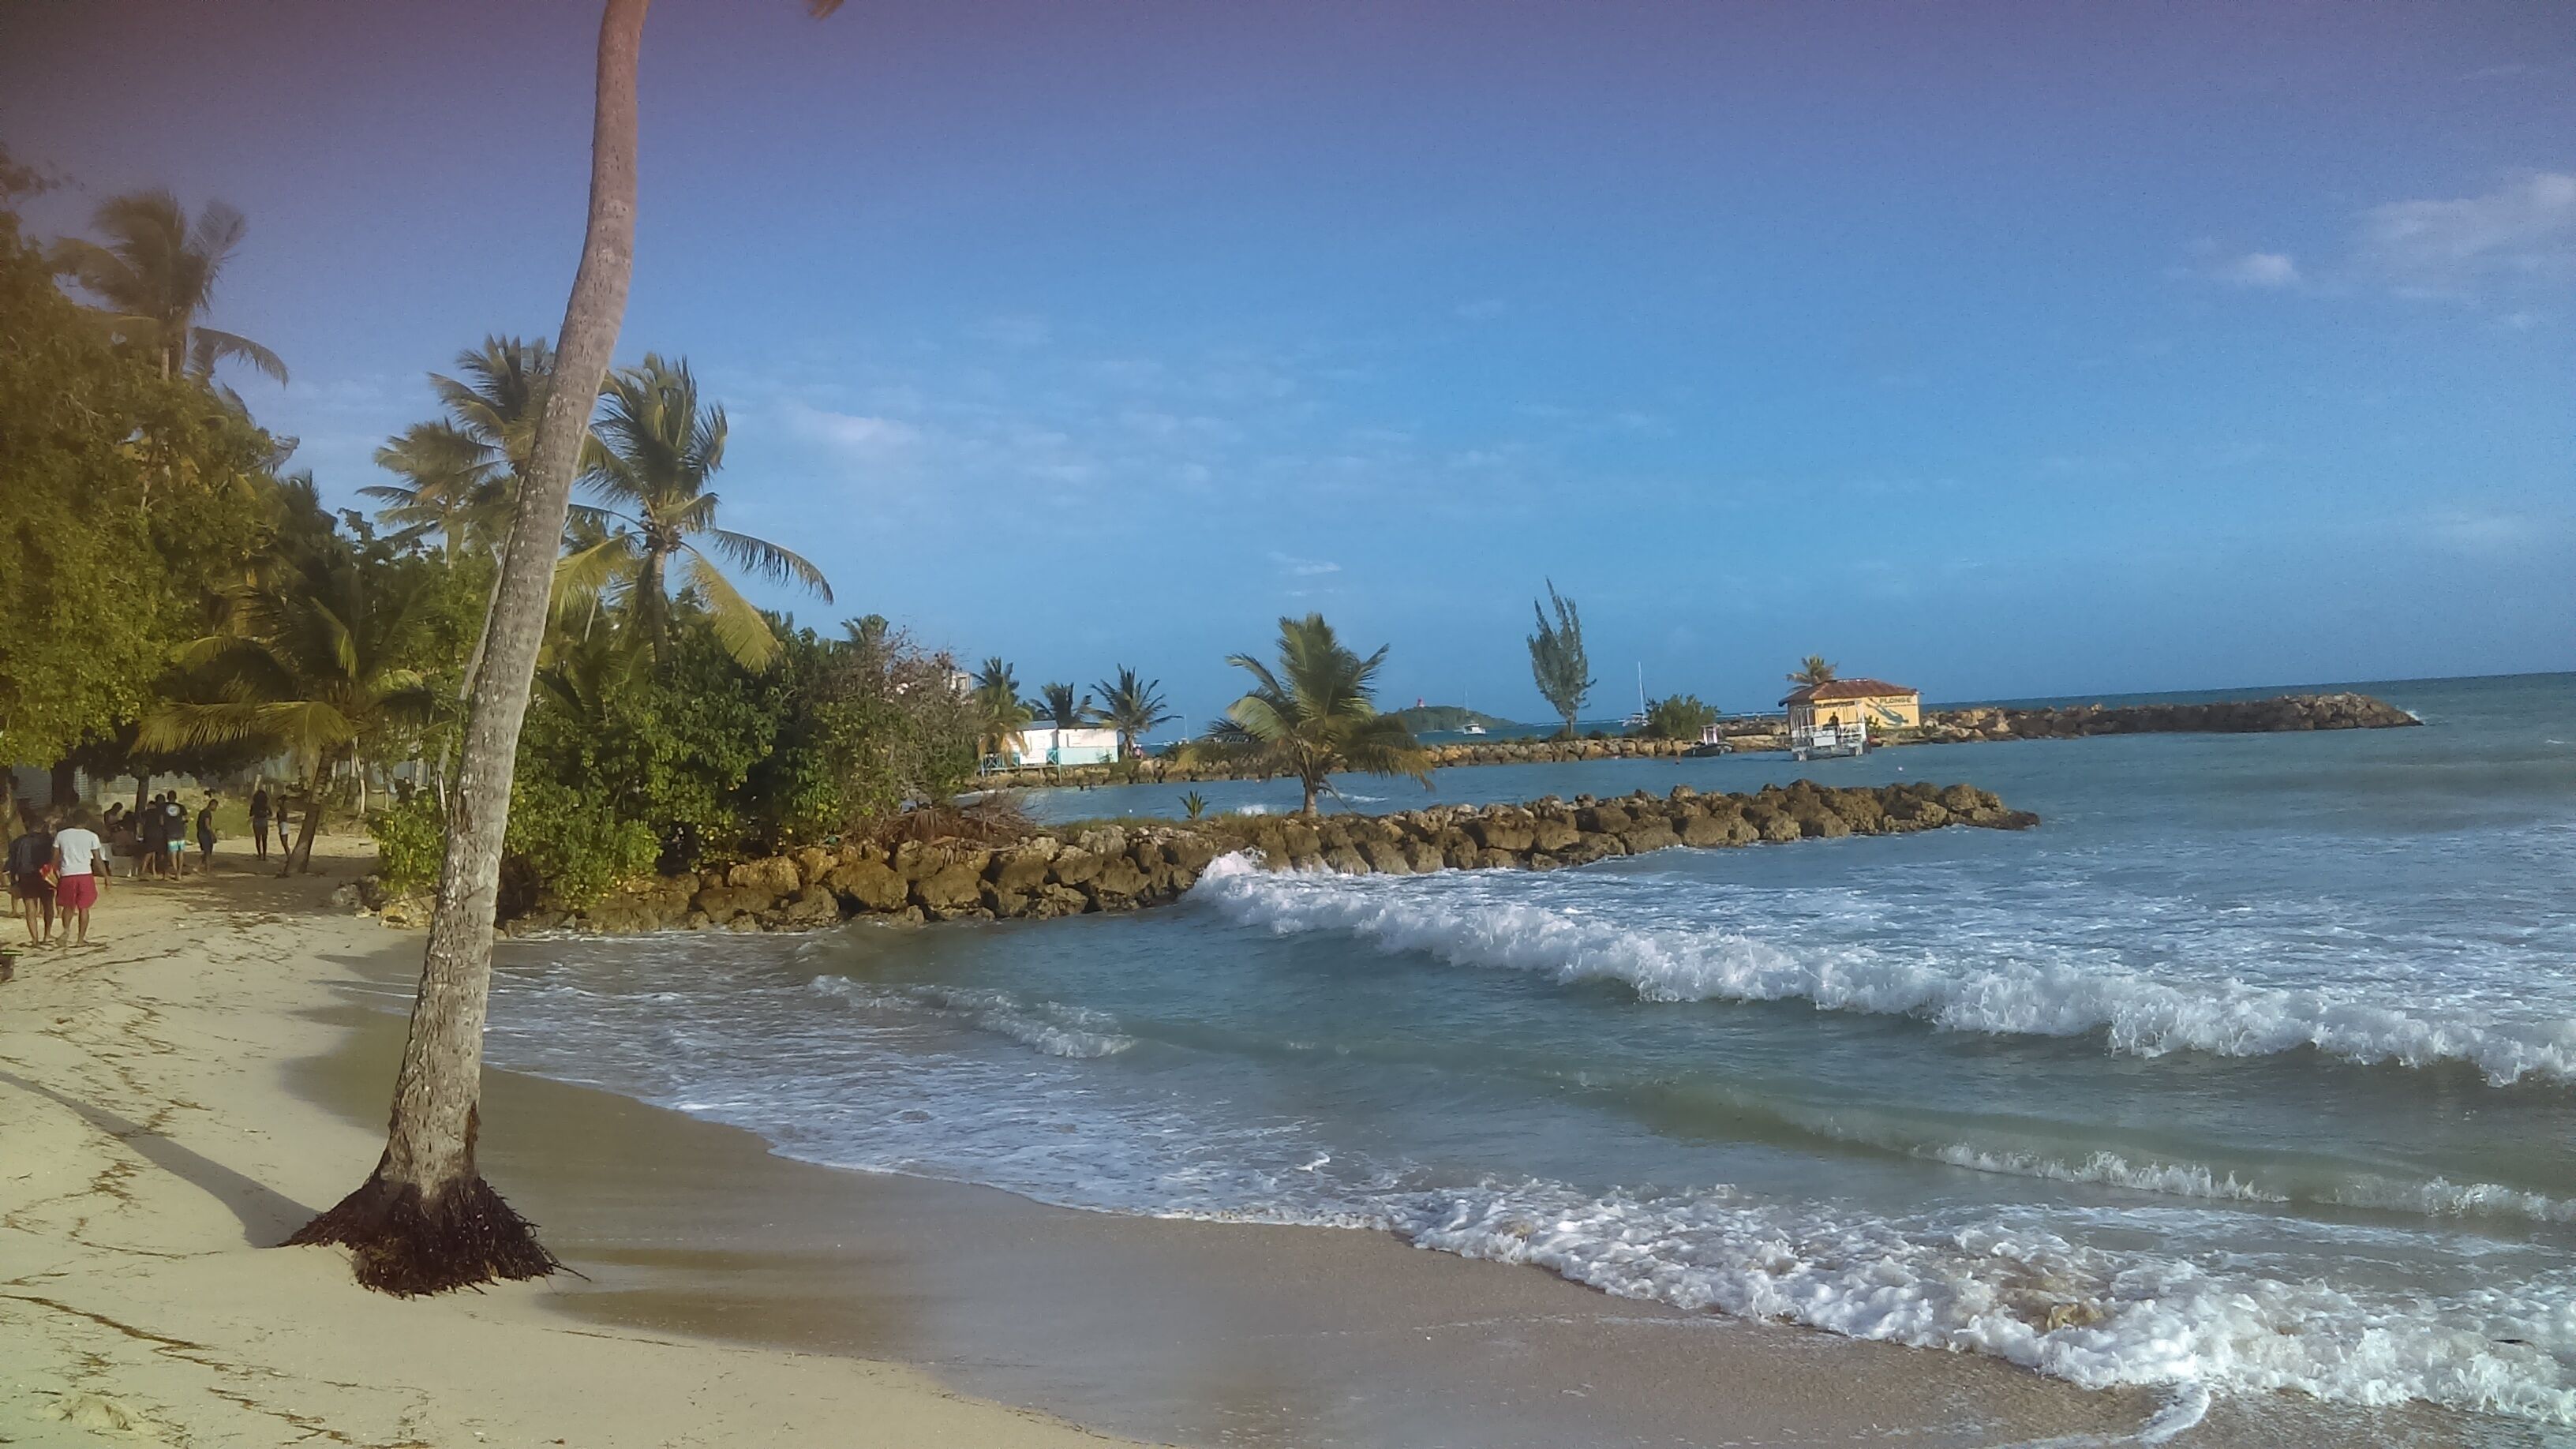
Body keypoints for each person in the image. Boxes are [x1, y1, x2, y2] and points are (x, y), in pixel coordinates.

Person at [51, 811, 107, 947]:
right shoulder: (92, 836)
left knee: (68, 906)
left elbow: (55, 858)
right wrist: (106, 876)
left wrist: (54, 872)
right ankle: (80, 939)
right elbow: (98, 860)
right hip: (85, 873)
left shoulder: (61, 835)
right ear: (87, 822)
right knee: (84, 908)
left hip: (67, 873)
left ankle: (66, 930)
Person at [8, 813, 56, 948]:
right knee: (48, 906)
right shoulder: (48, 840)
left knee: (30, 908)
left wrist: (13, 882)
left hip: (25, 876)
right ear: (42, 826)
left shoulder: (18, 841)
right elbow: (54, 858)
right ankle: (47, 935)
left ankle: (34, 939)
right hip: (44, 875)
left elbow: (12, 864)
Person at [137, 793, 167, 878]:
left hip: (148, 834)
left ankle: (146, 871)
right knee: (160, 854)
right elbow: (162, 823)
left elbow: (140, 821)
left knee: (150, 853)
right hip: (159, 834)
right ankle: (163, 873)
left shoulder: (146, 813)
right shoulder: (160, 812)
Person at [163, 793, 189, 878]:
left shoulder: (163, 807)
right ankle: (179, 873)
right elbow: (186, 819)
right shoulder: (181, 807)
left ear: (168, 797)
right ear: (176, 797)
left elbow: (161, 821)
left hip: (170, 832)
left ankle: (175, 871)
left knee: (173, 853)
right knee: (181, 853)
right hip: (180, 832)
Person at [249, 785, 272, 862]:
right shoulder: (266, 805)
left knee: (258, 839)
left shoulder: (254, 805)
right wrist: (265, 814)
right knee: (264, 840)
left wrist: (257, 813)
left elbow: (251, 814)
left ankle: (259, 855)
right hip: (264, 822)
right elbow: (271, 814)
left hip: (256, 822)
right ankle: (264, 856)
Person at [197, 796, 219, 874]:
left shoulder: (202, 812)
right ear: (212, 805)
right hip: (205, 835)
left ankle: (198, 868)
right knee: (208, 853)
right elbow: (207, 825)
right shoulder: (207, 813)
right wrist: (213, 835)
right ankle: (207, 871)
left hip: (200, 833)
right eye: (216, 806)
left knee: (205, 852)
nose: (216, 808)